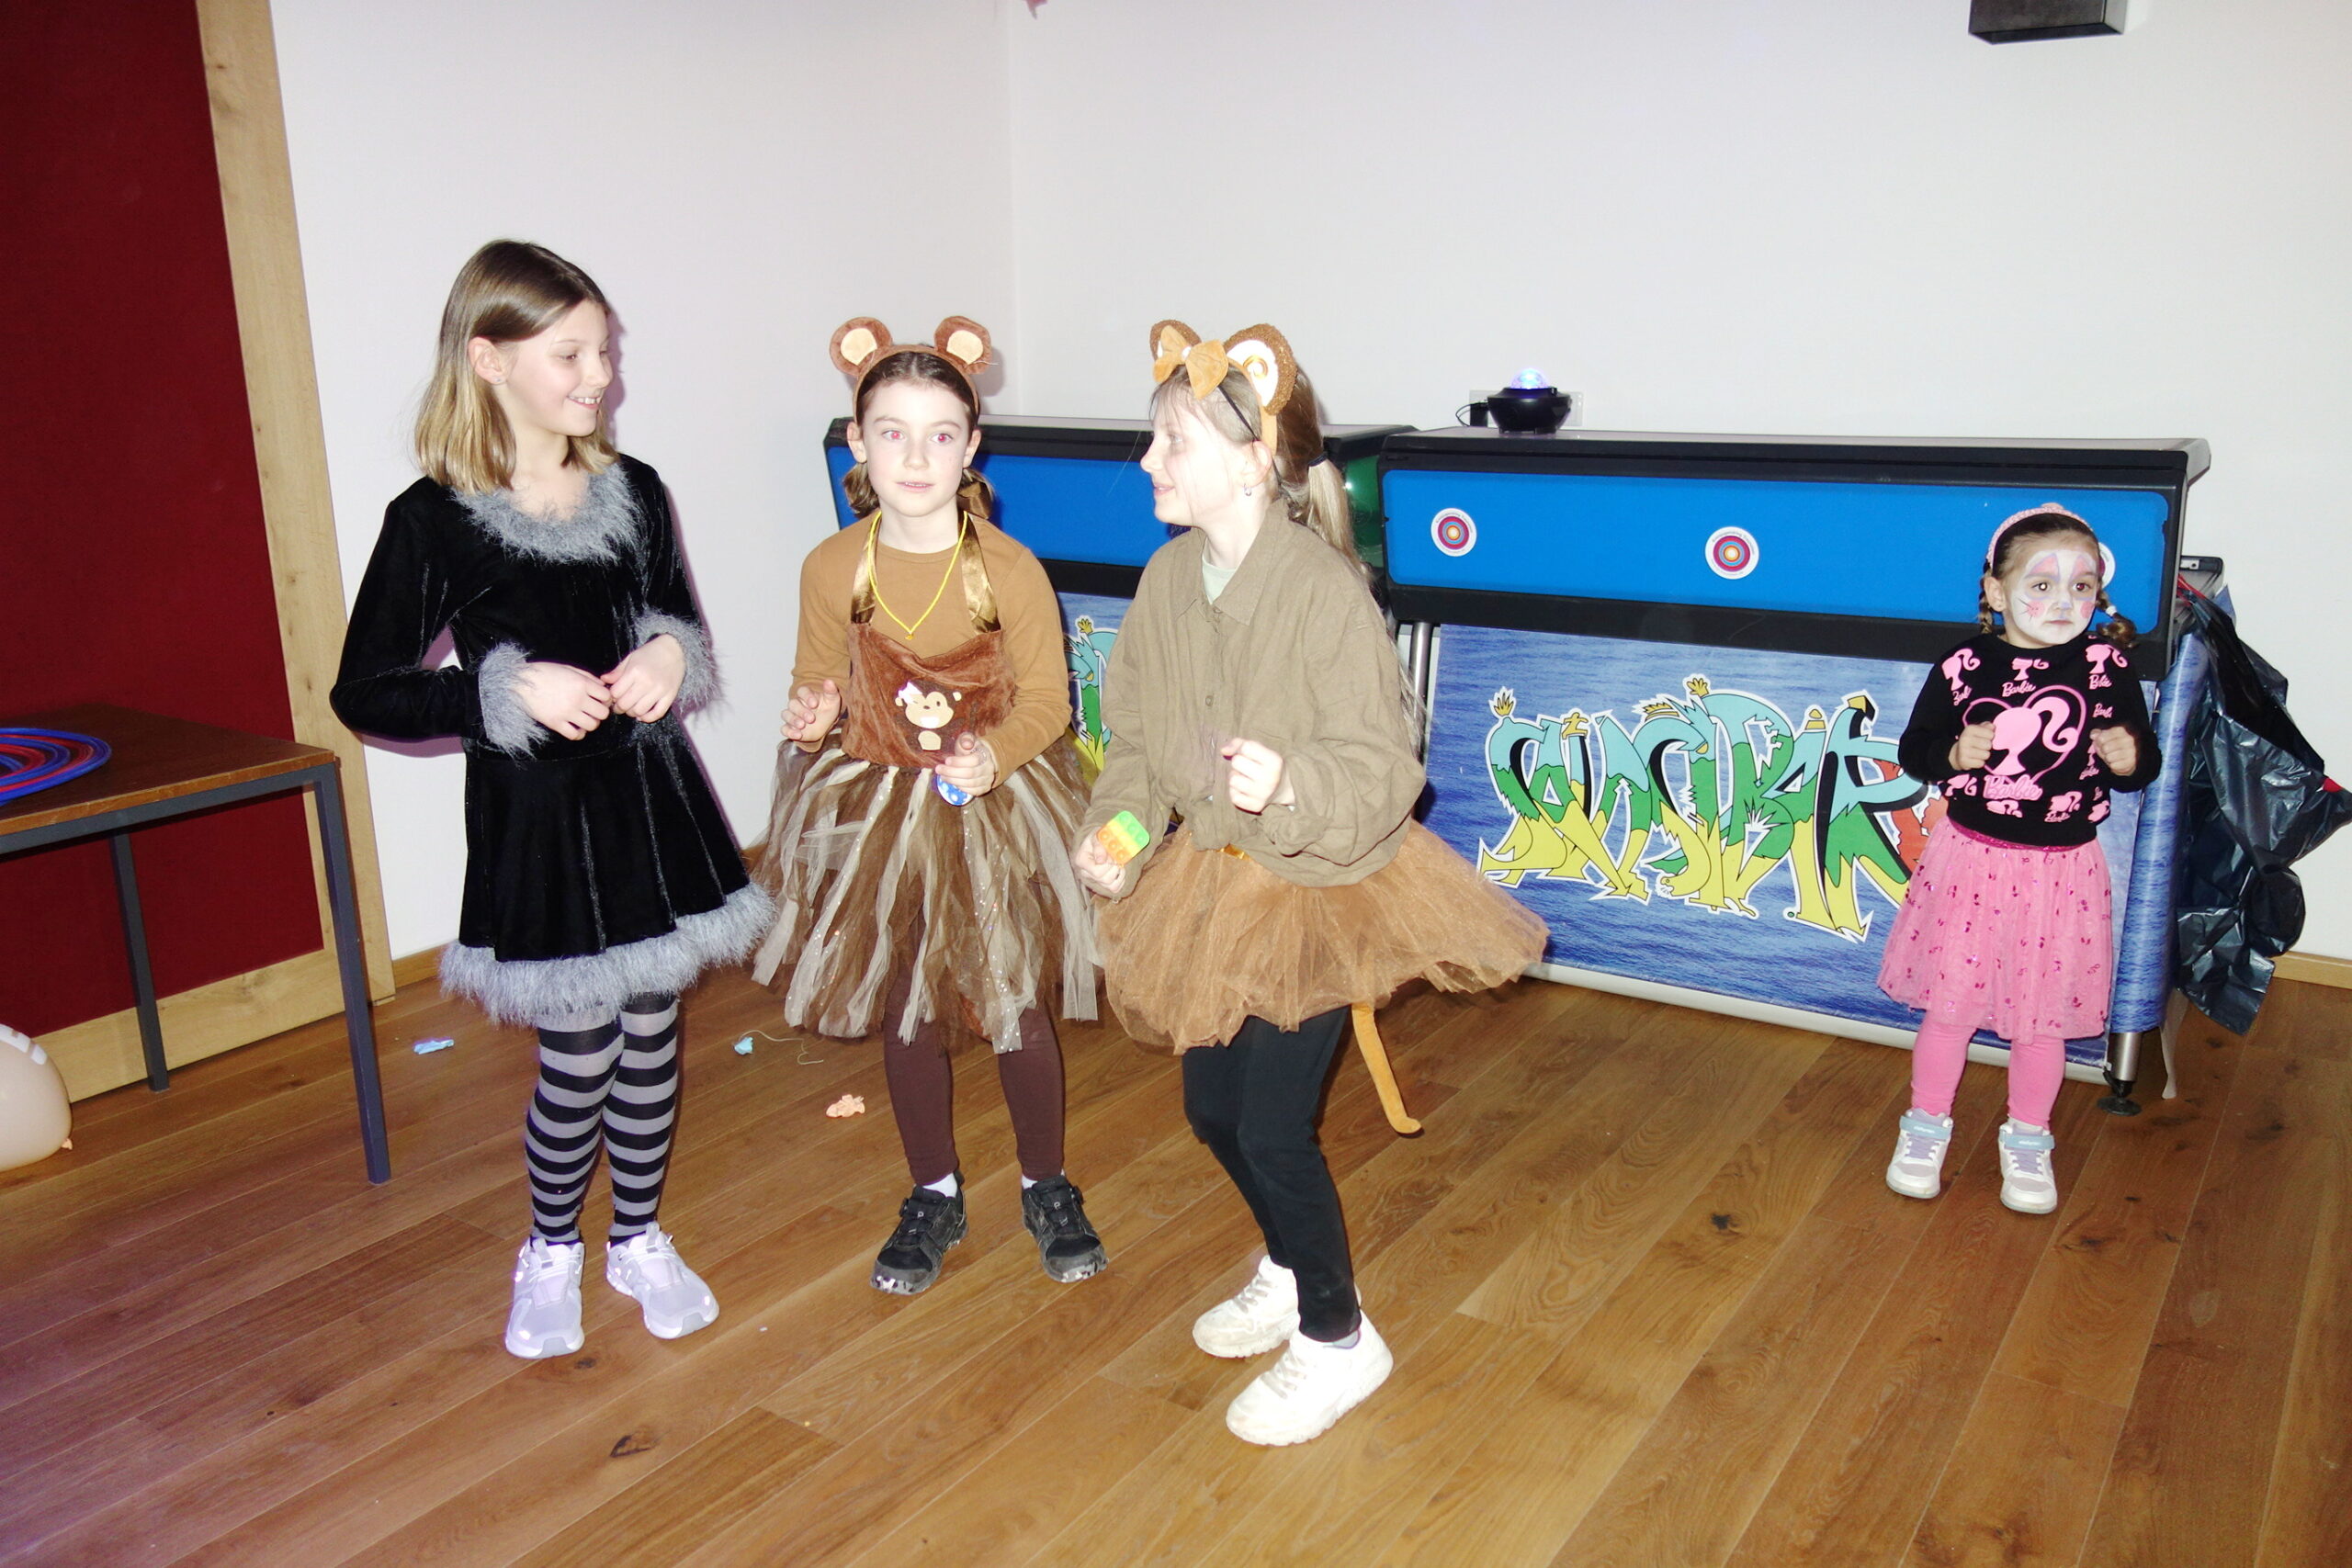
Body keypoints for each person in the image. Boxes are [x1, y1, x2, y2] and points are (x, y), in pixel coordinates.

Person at [1072, 321, 1546, 1446]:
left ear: (1251, 462)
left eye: (1173, 444)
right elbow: (1137, 745)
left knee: (1274, 1129)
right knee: (1211, 1111)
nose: (1148, 463)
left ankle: (1338, 1337)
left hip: (1320, 885)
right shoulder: (1167, 578)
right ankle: (1289, 1268)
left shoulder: (1321, 590)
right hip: (1209, 879)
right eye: (1154, 440)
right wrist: (1120, 834)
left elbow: (1384, 764)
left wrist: (1291, 780)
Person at [334, 241, 770, 1359]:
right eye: (570, 354)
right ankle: (550, 1248)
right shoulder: (432, 519)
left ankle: (637, 1237)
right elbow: (365, 688)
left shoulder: (636, 491)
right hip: (542, 826)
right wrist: (502, 687)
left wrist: (670, 655)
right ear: (488, 359)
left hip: (650, 808)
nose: (599, 377)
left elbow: (673, 618)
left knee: (652, 1037)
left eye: (604, 352)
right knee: (579, 1056)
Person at [751, 317, 1105, 1297]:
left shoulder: (1008, 568)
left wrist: (994, 754)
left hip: (994, 801)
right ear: (857, 445)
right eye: (893, 433)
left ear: (971, 447)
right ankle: (933, 1191)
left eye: (940, 434)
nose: (916, 456)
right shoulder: (833, 567)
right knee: (906, 1001)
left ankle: (1046, 1182)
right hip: (880, 806)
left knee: (1011, 1000)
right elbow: (817, 682)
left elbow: (1051, 703)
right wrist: (812, 715)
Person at [1879, 503, 2161, 1213]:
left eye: (2081, 587)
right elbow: (1915, 749)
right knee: (1949, 1006)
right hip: (1970, 863)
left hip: (2063, 870)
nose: (2063, 601)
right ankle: (1925, 1124)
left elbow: (2141, 766)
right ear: (1996, 591)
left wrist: (2129, 756)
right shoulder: (1965, 664)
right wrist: (1952, 752)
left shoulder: (2105, 666)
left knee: (2043, 1018)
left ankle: (2029, 1136)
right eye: (2041, 585)